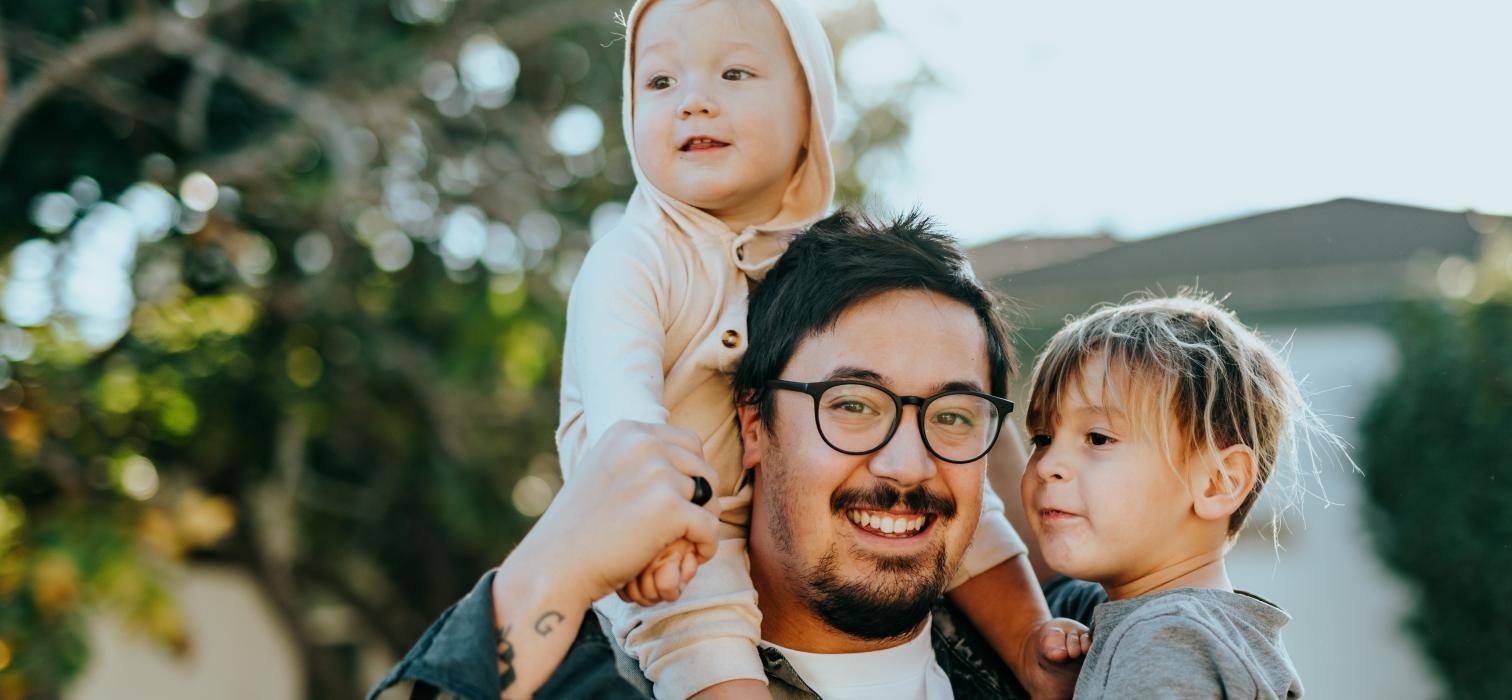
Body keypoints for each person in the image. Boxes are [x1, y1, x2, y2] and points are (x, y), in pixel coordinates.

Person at [554, 1, 1071, 698]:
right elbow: (624, 423)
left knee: (960, 507)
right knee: (700, 626)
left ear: (811, 114)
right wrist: (658, 528)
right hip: (669, 530)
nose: (694, 104)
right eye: (660, 84)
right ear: (754, 415)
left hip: (738, 516)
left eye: (734, 73)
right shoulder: (633, 261)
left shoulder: (820, 263)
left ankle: (1031, 648)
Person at [374, 211, 1095, 700]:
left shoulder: (1094, 654)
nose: (907, 466)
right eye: (851, 406)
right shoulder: (596, 680)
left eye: (953, 416)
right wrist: (552, 569)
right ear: (754, 424)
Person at [1020, 295, 1318, 699]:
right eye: (1042, 438)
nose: (1046, 464)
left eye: (1098, 438)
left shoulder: (1164, 639)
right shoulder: (1204, 631)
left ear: (1218, 481)